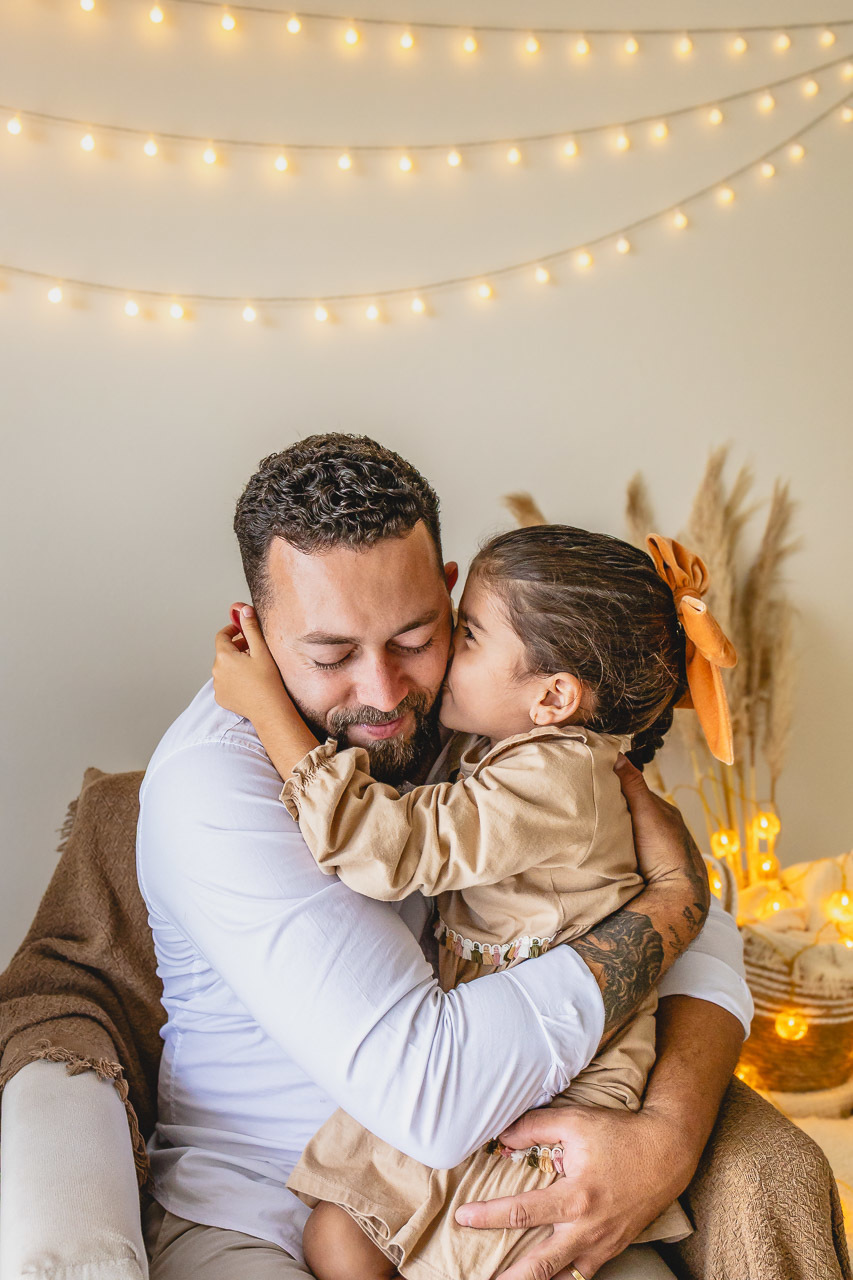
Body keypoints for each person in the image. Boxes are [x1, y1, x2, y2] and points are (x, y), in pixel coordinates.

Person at [135, 433, 751, 1280]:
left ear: (451, 597)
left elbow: (694, 920)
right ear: (255, 635)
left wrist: (667, 1132)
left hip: (509, 1149)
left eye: (417, 637)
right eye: (330, 655)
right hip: (262, 1201)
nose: (383, 691)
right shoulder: (212, 787)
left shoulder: (489, 720)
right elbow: (429, 1099)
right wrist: (670, 904)